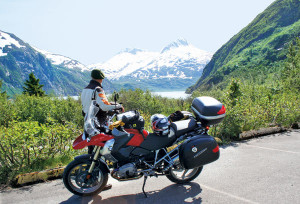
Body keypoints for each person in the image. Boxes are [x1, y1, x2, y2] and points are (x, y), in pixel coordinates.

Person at [81, 69, 123, 191]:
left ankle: (91, 180)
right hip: (98, 124)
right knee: (102, 151)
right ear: (101, 78)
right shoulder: (98, 89)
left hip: (88, 123)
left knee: (92, 152)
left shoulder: (85, 89)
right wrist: (118, 106)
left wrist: (109, 105)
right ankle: (100, 182)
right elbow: (103, 105)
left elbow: (90, 105)